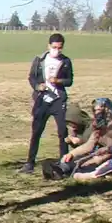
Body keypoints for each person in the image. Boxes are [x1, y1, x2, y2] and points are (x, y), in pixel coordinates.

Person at [19, 34, 74, 173]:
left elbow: (69, 80)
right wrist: (38, 87)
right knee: (36, 131)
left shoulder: (66, 61)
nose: (57, 50)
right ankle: (30, 163)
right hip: (42, 100)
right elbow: (31, 77)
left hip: (58, 100)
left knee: (62, 132)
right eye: (54, 47)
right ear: (48, 46)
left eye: (60, 48)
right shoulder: (39, 60)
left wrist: (58, 81)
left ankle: (64, 162)